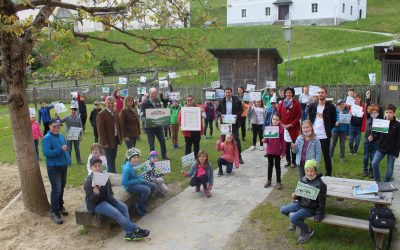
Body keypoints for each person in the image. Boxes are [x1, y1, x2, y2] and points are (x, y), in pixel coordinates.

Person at [85, 157, 150, 241]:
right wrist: (96, 194)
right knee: (116, 213)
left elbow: (110, 191)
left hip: (107, 200)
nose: (98, 168)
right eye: (95, 166)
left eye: (99, 166)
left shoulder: (104, 176)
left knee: (123, 207)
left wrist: (112, 200)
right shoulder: (89, 181)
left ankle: (129, 233)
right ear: (91, 168)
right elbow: (90, 200)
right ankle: (136, 229)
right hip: (96, 204)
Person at [280, 159, 327, 244]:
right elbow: (299, 193)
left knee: (293, 218)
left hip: (311, 208)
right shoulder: (303, 179)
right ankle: (297, 223)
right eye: (307, 171)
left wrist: (319, 215)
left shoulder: (320, 185)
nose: (309, 173)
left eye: (311, 171)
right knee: (283, 210)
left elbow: (322, 202)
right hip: (301, 203)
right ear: (304, 170)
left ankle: (308, 231)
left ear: (315, 171)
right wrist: (295, 196)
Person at [42, 118, 71, 224]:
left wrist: (68, 159)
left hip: (63, 165)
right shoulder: (47, 138)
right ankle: (54, 212)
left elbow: (65, 149)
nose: (56, 129)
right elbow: (46, 153)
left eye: (58, 127)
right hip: (54, 167)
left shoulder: (61, 136)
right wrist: (60, 150)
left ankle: (60, 205)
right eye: (54, 126)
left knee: (62, 187)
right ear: (49, 126)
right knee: (56, 189)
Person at [307, 87, 336, 176]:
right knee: (312, 156)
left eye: (322, 92)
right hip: (314, 135)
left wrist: (327, 128)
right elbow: (310, 119)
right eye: (319, 92)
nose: (320, 94)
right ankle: (313, 173)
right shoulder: (312, 106)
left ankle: (328, 174)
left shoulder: (331, 107)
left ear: (326, 94)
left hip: (324, 136)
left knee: (326, 156)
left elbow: (333, 121)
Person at [121, 148, 157, 216]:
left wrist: (142, 176)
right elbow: (124, 183)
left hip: (138, 181)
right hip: (129, 186)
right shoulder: (127, 169)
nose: (136, 159)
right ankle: (138, 207)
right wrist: (137, 180)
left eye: (137, 157)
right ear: (129, 158)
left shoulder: (137, 164)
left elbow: (140, 174)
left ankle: (144, 202)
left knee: (153, 186)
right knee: (147, 189)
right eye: (134, 157)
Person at [371, 104, 400, 182]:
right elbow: (377, 135)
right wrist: (373, 137)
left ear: (394, 113)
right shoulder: (382, 122)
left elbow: (398, 140)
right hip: (381, 148)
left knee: (390, 169)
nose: (388, 114)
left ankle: (386, 182)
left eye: (390, 112)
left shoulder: (397, 125)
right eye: (387, 112)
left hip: (392, 150)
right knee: (374, 163)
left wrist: (396, 153)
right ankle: (378, 181)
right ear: (384, 113)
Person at [216, 87, 244, 164]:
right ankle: (226, 157)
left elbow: (241, 110)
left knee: (236, 140)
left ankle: (239, 157)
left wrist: (236, 115)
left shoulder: (237, 101)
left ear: (231, 93)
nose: (227, 94)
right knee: (225, 140)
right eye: (226, 92)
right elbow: (217, 110)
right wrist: (220, 115)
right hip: (225, 123)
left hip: (234, 123)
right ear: (224, 93)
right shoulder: (221, 101)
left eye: (229, 92)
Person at [96, 96, 123, 173]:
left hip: (115, 139)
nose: (110, 105)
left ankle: (112, 172)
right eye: (109, 103)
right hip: (107, 141)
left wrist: (120, 137)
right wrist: (104, 143)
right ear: (105, 103)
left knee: (113, 158)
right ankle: (110, 174)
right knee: (108, 159)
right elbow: (100, 130)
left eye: (112, 103)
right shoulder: (101, 114)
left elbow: (118, 125)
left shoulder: (115, 112)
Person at [140, 88, 168, 160]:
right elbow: (142, 115)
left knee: (162, 141)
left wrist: (163, 120)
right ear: (149, 94)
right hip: (149, 127)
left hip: (158, 126)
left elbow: (160, 113)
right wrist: (149, 122)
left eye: (155, 93)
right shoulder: (145, 103)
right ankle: (153, 158)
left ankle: (164, 155)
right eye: (152, 93)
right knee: (151, 143)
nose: (154, 94)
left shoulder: (158, 101)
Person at [278, 87, 302, 168]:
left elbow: (299, 116)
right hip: (285, 128)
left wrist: (291, 124)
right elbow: (279, 115)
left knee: (293, 145)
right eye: (287, 92)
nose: (288, 94)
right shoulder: (281, 103)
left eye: (290, 93)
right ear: (285, 94)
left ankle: (294, 161)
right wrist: (282, 124)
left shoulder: (296, 103)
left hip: (294, 128)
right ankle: (288, 161)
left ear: (292, 94)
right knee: (286, 145)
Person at [263, 113, 286, 189]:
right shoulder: (269, 128)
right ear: (271, 119)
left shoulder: (281, 129)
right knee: (270, 166)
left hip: (277, 152)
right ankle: (268, 181)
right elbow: (267, 139)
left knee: (277, 166)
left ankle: (278, 182)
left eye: (277, 120)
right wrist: (264, 140)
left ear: (279, 120)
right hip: (269, 151)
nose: (275, 121)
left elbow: (283, 142)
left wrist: (282, 152)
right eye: (273, 119)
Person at [363, 104, 381, 177]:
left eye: (375, 112)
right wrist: (368, 98)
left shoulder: (380, 121)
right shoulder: (368, 118)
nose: (374, 114)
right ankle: (364, 170)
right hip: (367, 140)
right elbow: (367, 109)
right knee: (366, 156)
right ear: (370, 113)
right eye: (372, 113)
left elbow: (379, 132)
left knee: (373, 156)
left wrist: (373, 136)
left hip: (375, 141)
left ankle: (371, 170)